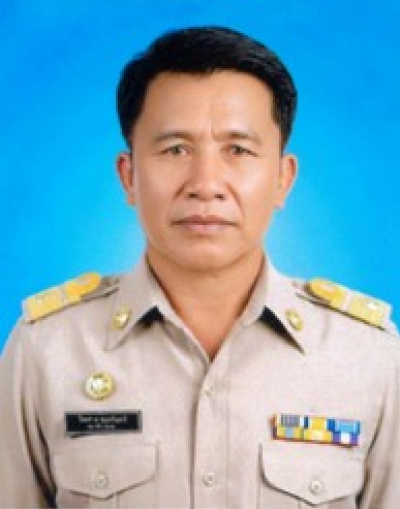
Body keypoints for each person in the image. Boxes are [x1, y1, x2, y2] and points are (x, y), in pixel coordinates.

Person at [0, 26, 398, 509]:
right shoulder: (47, 351)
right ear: (129, 176)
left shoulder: (370, 357)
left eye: (238, 150)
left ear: (282, 178)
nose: (206, 184)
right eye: (176, 150)